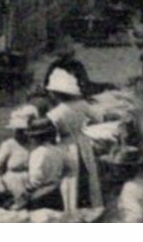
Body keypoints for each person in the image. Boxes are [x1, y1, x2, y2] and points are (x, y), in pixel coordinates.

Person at [45, 67, 104, 209]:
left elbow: (52, 134)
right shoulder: (82, 105)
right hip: (83, 141)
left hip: (66, 144)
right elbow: (99, 118)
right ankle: (92, 205)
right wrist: (85, 126)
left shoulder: (55, 113)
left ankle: (71, 207)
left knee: (70, 179)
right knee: (88, 173)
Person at [12, 116, 67, 212]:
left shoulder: (38, 153)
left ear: (34, 138)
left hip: (42, 195)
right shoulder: (59, 150)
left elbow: (36, 180)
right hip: (57, 190)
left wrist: (23, 196)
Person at [0, 109, 35, 200]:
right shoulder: (9, 145)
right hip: (13, 184)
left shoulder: (34, 144)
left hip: (33, 183)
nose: (21, 133)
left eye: (24, 130)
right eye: (18, 130)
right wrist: (0, 184)